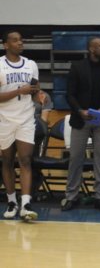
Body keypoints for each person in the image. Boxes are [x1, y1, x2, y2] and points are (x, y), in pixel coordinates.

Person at [62, 36, 100, 212]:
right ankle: (71, 196)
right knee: (75, 158)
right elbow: (69, 94)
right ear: (91, 49)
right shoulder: (78, 67)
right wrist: (79, 110)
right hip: (81, 119)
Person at [0, 30, 39, 221]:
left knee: (25, 160)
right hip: (4, 119)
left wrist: (40, 95)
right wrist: (19, 90)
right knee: (7, 161)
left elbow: (35, 90)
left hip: (25, 117)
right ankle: (11, 201)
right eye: (15, 40)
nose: (20, 43)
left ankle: (25, 203)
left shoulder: (31, 65)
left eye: (21, 40)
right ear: (5, 45)